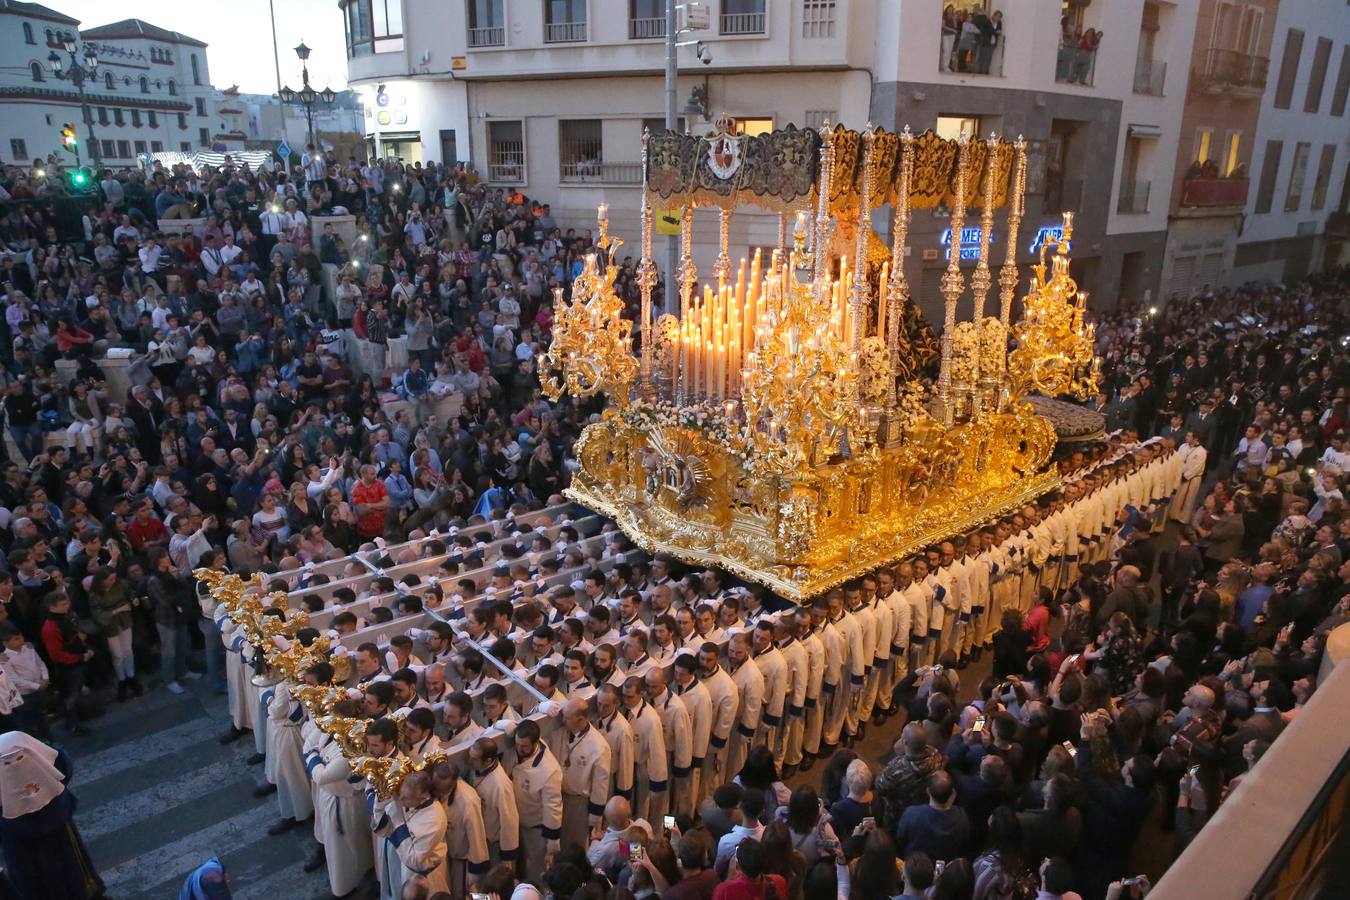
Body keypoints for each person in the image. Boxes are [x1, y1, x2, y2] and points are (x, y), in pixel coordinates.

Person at [0, 731, 105, 899]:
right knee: (73, 870)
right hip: (60, 829)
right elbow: (61, 763)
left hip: (21, 848)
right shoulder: (22, 744)